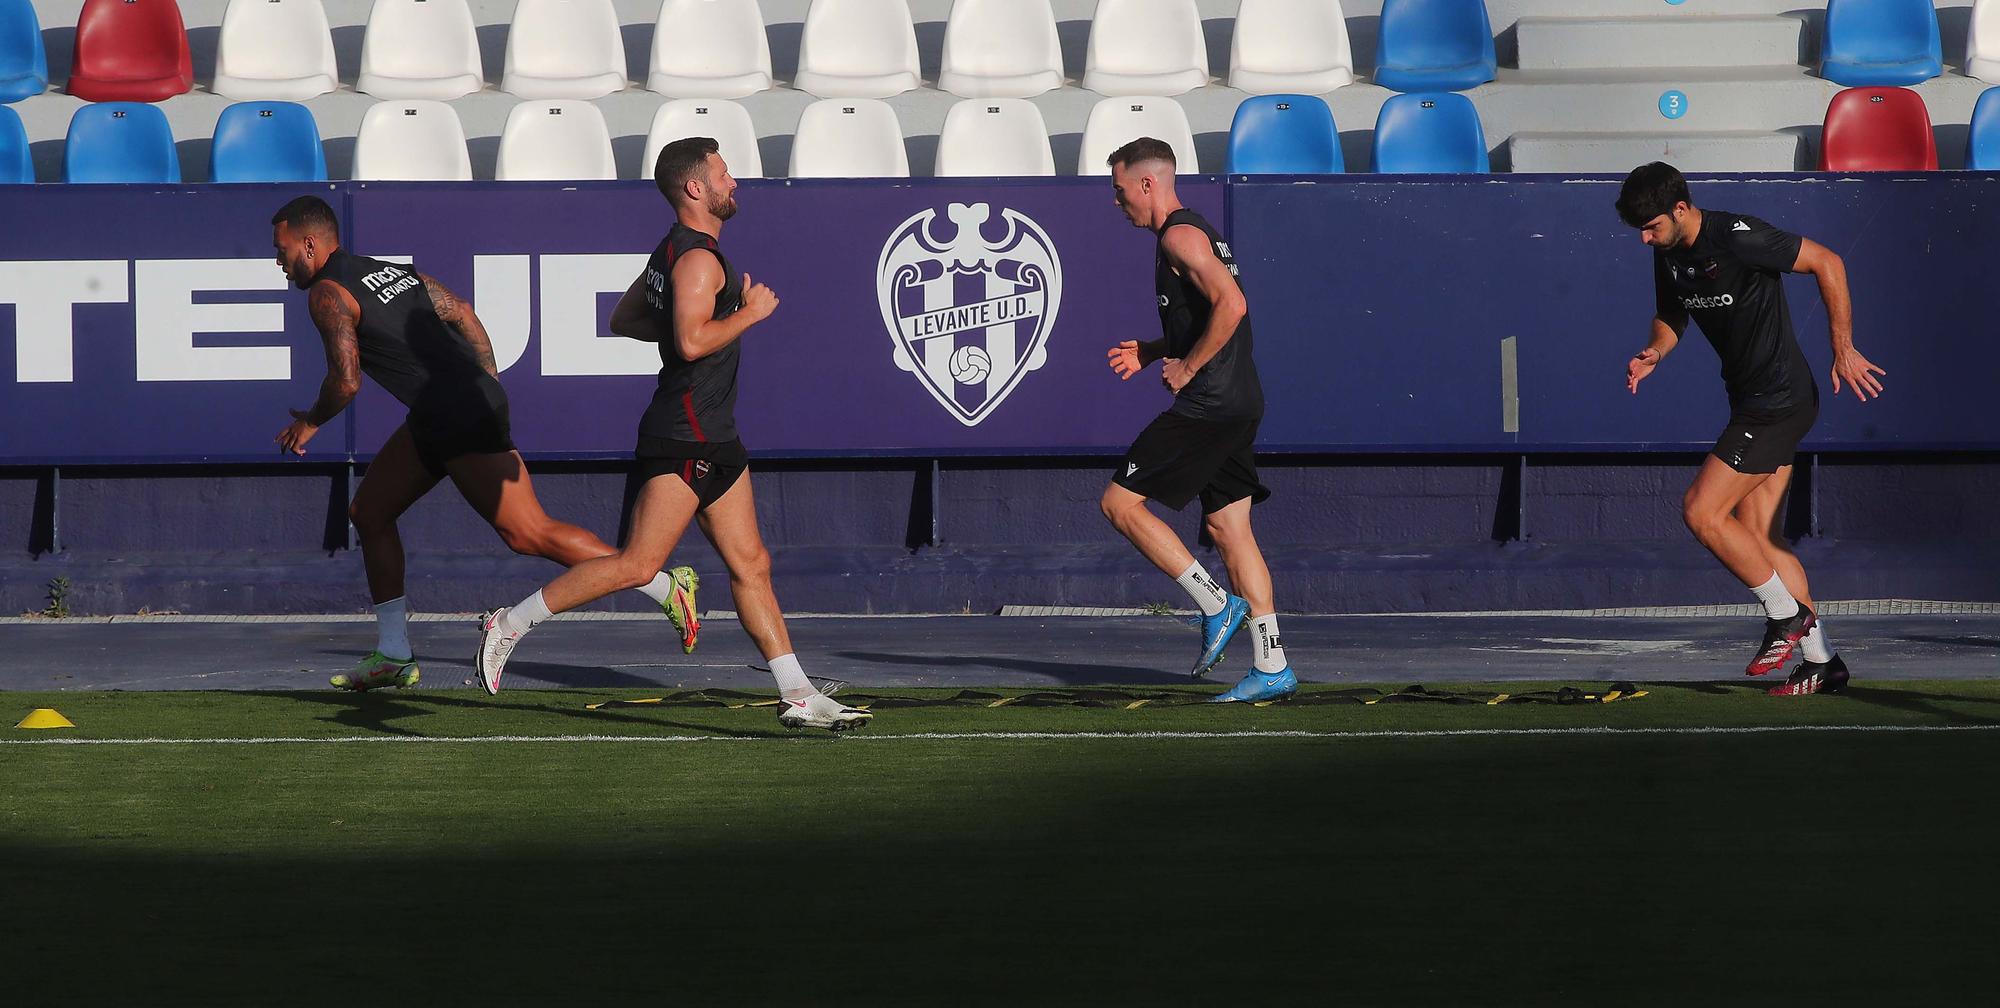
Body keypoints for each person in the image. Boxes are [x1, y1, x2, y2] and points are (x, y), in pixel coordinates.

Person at [471, 139, 869, 731]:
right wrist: (749, 314)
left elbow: (624, 318)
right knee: (637, 564)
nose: (733, 182)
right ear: (694, 189)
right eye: (723, 173)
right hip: (683, 437)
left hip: (716, 436)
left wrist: (699, 315)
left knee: (751, 564)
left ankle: (797, 695)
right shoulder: (697, 260)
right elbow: (687, 342)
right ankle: (509, 623)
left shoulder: (674, 253)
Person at [270, 196, 700, 691]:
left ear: (309, 244)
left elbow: (346, 382)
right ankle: (392, 654)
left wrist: (310, 423)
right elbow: (463, 311)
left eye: (282, 251)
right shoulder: (385, 271)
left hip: (455, 412)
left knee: (528, 533)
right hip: (444, 411)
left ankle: (665, 586)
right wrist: (487, 381)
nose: (279, 262)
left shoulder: (326, 294)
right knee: (370, 511)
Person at [1615, 162, 1886, 696]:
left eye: (1652, 226)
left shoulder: (1737, 235)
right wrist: (1656, 352)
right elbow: (1671, 315)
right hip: (1753, 402)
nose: (1645, 238)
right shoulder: (1668, 254)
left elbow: (1828, 262)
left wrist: (1843, 346)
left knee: (1701, 511)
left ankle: (1785, 616)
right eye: (1640, 230)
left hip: (1778, 402)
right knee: (1759, 537)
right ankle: (1822, 662)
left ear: (1680, 209)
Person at [1100, 137, 1297, 704]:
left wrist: (1185, 366)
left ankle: (1215, 603)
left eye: (1120, 192)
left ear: (1147, 183)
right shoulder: (1193, 232)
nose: (1118, 204)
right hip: (1239, 401)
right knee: (1229, 529)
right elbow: (1210, 312)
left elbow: (1233, 305)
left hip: (1211, 403)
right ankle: (1272, 664)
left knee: (1119, 503)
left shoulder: (1179, 237)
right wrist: (1154, 347)